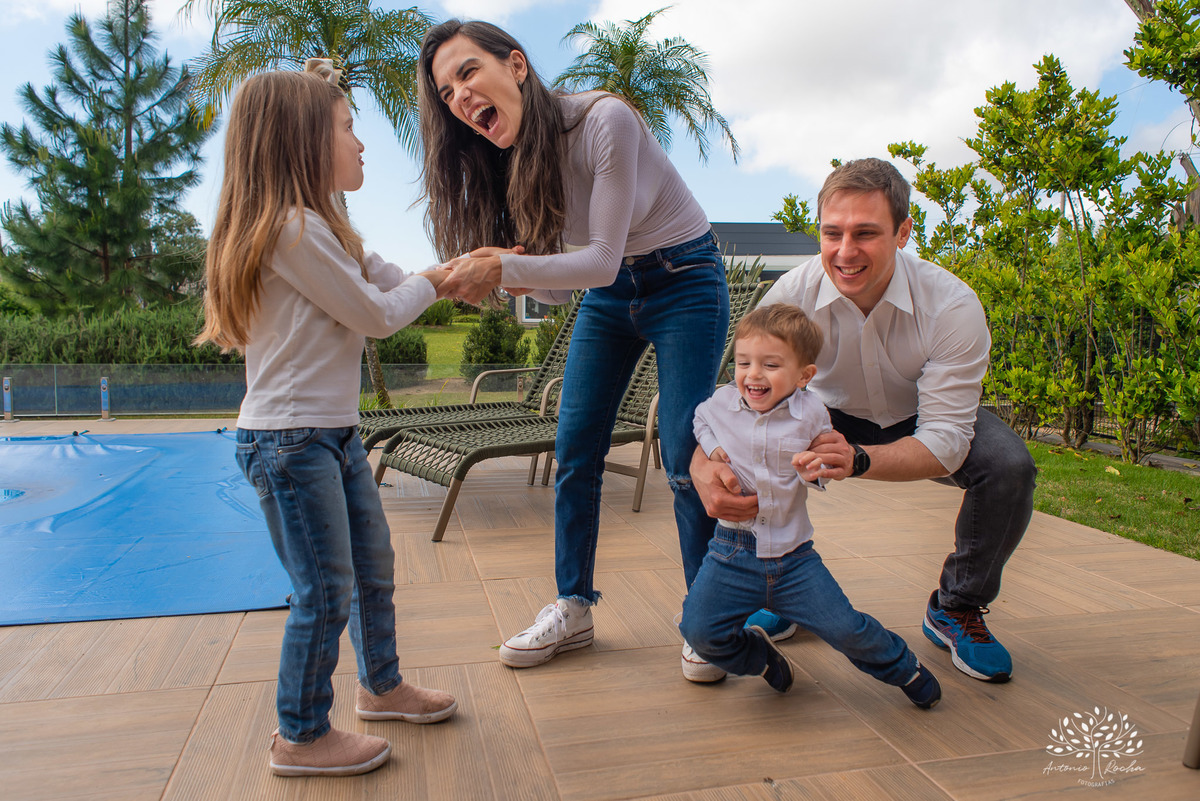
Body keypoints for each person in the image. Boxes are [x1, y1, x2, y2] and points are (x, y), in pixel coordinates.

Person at [417, 20, 730, 677]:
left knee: (680, 448)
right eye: (446, 93)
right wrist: (509, 272)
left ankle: (709, 615)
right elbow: (564, 293)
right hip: (610, 296)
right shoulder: (514, 163)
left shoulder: (602, 121)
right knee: (574, 443)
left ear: (518, 66)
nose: (460, 98)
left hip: (684, 279)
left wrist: (501, 266)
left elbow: (601, 259)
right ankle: (573, 605)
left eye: (468, 73)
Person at [194, 65, 458, 778]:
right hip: (289, 441)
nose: (362, 143)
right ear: (302, 142)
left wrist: (455, 272)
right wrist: (435, 282)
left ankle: (382, 684)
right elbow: (376, 314)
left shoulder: (327, 226)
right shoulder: (288, 229)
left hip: (332, 432)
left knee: (373, 569)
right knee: (325, 588)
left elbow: (387, 275)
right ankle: (301, 733)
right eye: (347, 127)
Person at [691, 158, 1036, 684]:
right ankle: (781, 587)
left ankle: (955, 606)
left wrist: (858, 459)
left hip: (919, 417)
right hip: (822, 416)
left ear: (902, 233)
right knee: (752, 457)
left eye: (866, 234)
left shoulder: (951, 306)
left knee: (1009, 466)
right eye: (833, 233)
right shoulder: (790, 297)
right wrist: (701, 469)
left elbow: (945, 441)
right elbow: (736, 402)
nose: (845, 252)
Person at [679, 304, 941, 708]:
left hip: (793, 559)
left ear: (804, 376)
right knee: (698, 630)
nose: (752, 374)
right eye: (743, 362)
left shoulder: (811, 413)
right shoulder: (720, 404)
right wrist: (713, 451)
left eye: (770, 365)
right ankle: (761, 657)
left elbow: (822, 461)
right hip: (730, 552)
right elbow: (699, 420)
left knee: (846, 628)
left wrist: (813, 469)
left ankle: (904, 667)